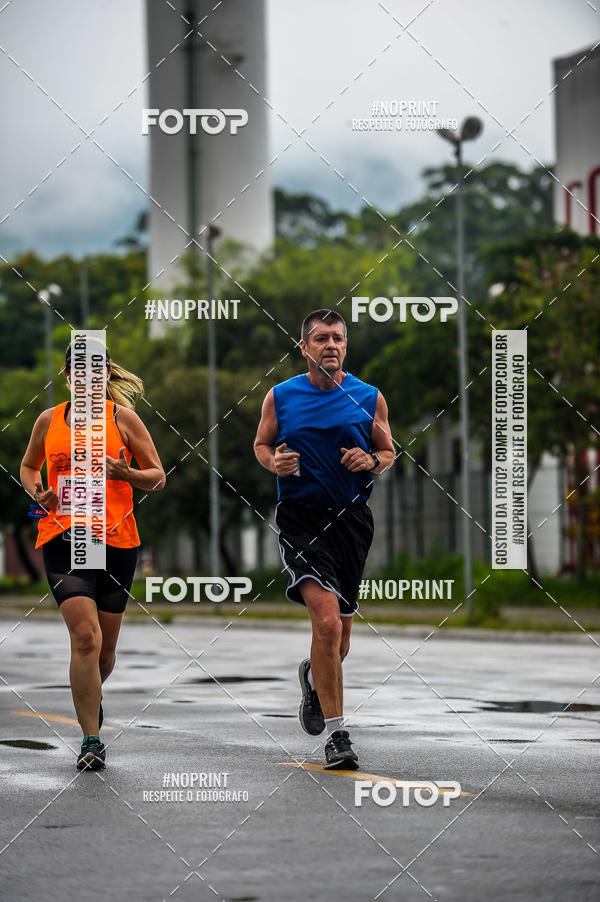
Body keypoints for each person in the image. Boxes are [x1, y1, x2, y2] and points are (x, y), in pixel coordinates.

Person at [254, 309, 394, 769]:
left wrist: (370, 461)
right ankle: (338, 737)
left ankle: (313, 678)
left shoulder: (369, 397)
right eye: (320, 338)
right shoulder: (280, 396)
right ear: (305, 348)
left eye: (337, 338)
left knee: (341, 639)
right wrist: (274, 462)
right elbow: (262, 444)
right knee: (328, 624)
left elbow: (389, 450)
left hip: (352, 523)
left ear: (346, 347)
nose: (330, 345)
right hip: (301, 520)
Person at [20, 342, 166, 771]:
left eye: (96, 371)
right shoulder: (50, 419)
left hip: (116, 540)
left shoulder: (123, 419)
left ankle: (91, 696)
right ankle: (91, 738)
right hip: (63, 535)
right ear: (68, 377)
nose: (87, 379)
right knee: (85, 637)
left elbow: (157, 477)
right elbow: (29, 467)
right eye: (79, 372)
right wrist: (38, 494)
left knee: (104, 654)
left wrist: (127, 474)